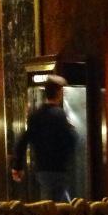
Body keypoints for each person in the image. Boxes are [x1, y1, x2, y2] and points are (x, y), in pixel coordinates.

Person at [11, 74, 77, 202]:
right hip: (59, 169)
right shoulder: (60, 115)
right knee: (60, 204)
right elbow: (70, 140)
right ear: (59, 92)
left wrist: (17, 166)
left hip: (42, 169)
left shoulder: (36, 115)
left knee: (47, 201)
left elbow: (23, 140)